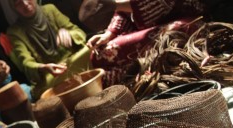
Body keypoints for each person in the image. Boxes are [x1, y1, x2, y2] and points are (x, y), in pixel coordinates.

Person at [80, 0, 208, 86]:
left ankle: (144, 79)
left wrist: (114, 4)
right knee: (100, 53)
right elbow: (122, 12)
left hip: (184, 18)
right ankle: (134, 83)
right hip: (146, 24)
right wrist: (109, 34)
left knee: (170, 35)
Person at [6, 0, 92, 100]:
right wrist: (43, 67)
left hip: (73, 60)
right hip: (51, 75)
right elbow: (26, 63)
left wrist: (69, 34)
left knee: (93, 52)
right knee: (48, 91)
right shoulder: (14, 32)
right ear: (14, 8)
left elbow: (79, 32)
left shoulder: (49, 10)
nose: (25, 4)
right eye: (18, 3)